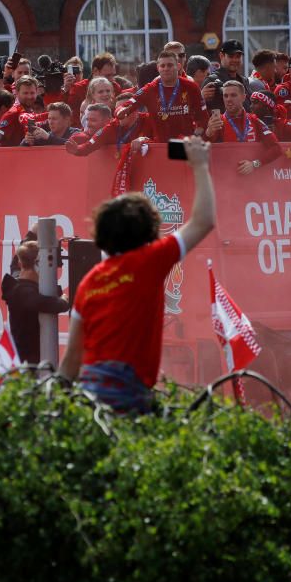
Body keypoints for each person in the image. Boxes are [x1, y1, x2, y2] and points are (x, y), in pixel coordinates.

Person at [59, 136, 216, 414]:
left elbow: (72, 359)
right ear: (150, 230)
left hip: (88, 390)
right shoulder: (150, 260)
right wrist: (200, 166)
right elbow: (203, 221)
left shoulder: (90, 280)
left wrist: (58, 408)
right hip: (128, 392)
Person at [115, 50, 207, 142]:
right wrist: (121, 110)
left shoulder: (191, 87)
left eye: (170, 65)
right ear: (158, 68)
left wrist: (195, 135)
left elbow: (203, 118)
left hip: (185, 145)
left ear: (178, 66)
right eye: (163, 66)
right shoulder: (150, 89)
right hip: (161, 147)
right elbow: (128, 104)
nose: (166, 68)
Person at [1, 241, 69, 364]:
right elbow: (54, 305)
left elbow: (15, 264)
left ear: (20, 263)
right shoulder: (25, 293)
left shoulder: (16, 284)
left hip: (27, 360)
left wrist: (34, 234)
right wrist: (64, 300)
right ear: (38, 265)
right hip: (31, 364)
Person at [203, 81, 282, 175]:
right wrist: (208, 134)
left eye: (233, 95)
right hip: (225, 180)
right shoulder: (217, 121)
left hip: (252, 182)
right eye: (226, 96)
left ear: (243, 97)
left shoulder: (255, 121)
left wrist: (255, 164)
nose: (229, 99)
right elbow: (200, 151)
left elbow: (276, 148)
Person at [66, 93, 154, 157]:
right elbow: (91, 144)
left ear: (135, 111)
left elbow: (163, 141)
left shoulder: (149, 120)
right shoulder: (112, 126)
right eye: (117, 110)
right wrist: (77, 150)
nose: (119, 114)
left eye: (123, 110)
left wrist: (145, 140)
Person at [202, 39, 250, 112]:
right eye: (231, 56)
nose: (235, 60)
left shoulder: (244, 80)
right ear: (221, 56)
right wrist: (201, 97)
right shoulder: (212, 81)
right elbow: (202, 110)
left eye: (238, 56)